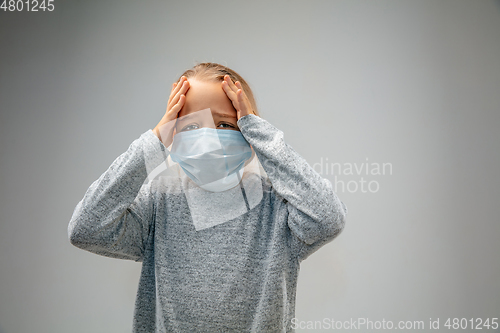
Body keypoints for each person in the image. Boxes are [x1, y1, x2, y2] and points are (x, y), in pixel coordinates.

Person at [68, 62, 348, 332]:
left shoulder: (277, 208)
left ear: (249, 134)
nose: (208, 139)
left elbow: (327, 217)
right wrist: (153, 141)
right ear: (172, 133)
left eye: (226, 124)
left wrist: (260, 132)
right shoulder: (157, 203)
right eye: (191, 126)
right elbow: (86, 228)